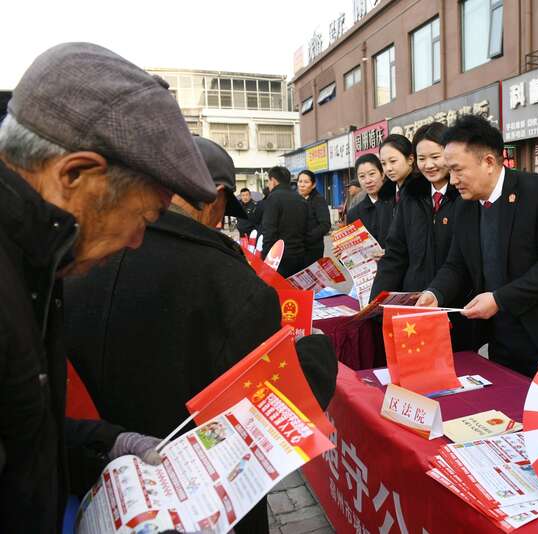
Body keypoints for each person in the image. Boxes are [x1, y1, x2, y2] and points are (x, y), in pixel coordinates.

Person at [64, 136, 338, 534]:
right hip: (207, 508)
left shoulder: (78, 257)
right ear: (215, 198)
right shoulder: (232, 284)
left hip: (98, 497)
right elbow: (270, 415)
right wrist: (317, 352)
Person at [0, 42, 219, 533]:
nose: (137, 242)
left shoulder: (36, 257)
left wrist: (108, 447)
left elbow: (21, 436)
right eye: (143, 217)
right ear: (75, 174)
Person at [417, 115, 538, 377]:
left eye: (458, 170)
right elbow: (456, 264)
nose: (454, 180)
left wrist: (499, 299)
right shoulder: (464, 206)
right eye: (450, 171)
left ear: (489, 162)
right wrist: (435, 293)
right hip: (503, 338)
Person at [371, 122, 478, 350]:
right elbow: (395, 254)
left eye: (435, 157)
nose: (428, 165)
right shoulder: (411, 196)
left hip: (456, 307)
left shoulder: (467, 196)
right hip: (415, 306)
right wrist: (377, 301)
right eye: (422, 158)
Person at [260, 166, 308, 276]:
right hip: (300, 255)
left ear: (273, 181)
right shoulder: (300, 198)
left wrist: (265, 255)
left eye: (268, 181)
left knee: (279, 287)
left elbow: (269, 230)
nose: (268, 184)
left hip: (279, 258)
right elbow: (307, 228)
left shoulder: (273, 198)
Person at [346, 153, 394, 246]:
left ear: (382, 174)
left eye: (372, 174)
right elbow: (354, 249)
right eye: (362, 176)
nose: (368, 181)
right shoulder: (354, 214)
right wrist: (343, 250)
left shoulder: (398, 203)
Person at [297, 169, 332, 266]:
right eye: (300, 181)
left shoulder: (318, 200)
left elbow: (325, 225)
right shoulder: (295, 199)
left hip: (313, 249)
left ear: (313, 185)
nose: (302, 185)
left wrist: (306, 239)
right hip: (297, 249)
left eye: (306, 182)